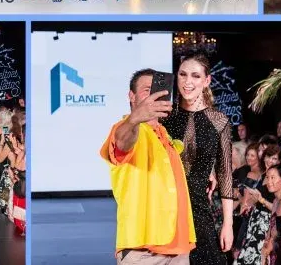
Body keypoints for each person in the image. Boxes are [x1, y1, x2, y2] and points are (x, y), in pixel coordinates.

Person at [99, 69, 195, 264]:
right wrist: (135, 118)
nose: (152, 95)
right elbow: (122, 142)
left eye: (157, 89)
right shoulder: (128, 128)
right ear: (131, 96)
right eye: (146, 90)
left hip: (179, 249)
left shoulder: (164, 134)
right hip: (143, 252)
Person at [162, 53, 233, 264]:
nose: (188, 81)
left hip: (199, 210)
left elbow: (225, 174)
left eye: (195, 76)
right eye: (183, 74)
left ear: (207, 80)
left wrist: (228, 224)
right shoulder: (165, 117)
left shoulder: (219, 121)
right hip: (166, 209)